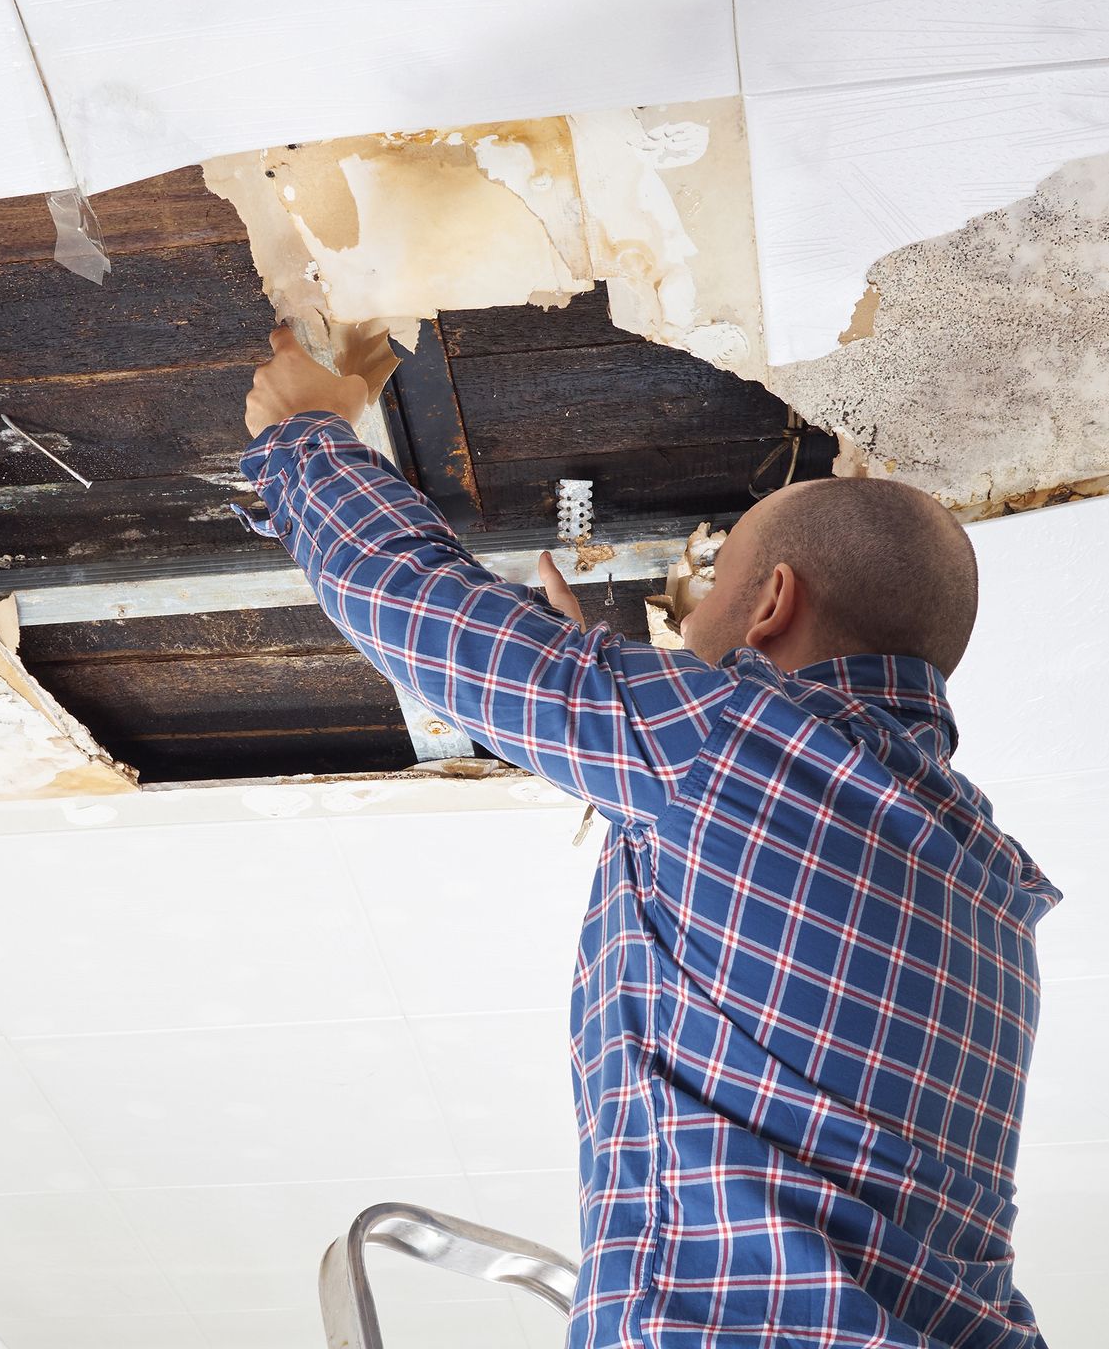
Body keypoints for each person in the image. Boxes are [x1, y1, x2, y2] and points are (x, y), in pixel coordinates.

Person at [241, 325, 1061, 1349]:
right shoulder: (983, 885)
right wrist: (640, 741)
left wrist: (305, 433)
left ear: (771, 603)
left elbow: (410, 603)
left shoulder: (724, 754)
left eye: (716, 588)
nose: (696, 614)